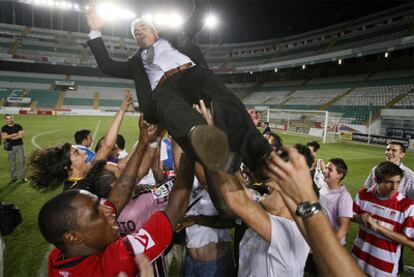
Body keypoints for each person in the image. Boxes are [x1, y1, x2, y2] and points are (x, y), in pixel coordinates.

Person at [86, 1, 272, 178]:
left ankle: (260, 155)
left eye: (143, 27)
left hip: (192, 74)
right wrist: (95, 29)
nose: (139, 32)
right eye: (136, 32)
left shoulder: (173, 35)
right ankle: (217, 155)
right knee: (171, 112)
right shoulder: (136, 62)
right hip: (164, 89)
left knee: (223, 99)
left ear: (155, 31)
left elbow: (198, 16)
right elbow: (107, 65)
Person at [39, 137, 196, 277]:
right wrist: (189, 154)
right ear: (72, 237)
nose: (108, 210)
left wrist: (143, 142)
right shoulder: (118, 260)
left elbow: (117, 199)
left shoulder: (58, 257)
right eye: (96, 213)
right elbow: (174, 211)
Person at [352, 161, 414, 276]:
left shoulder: (407, 206)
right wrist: (360, 218)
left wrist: (378, 227)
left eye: (398, 182)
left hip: (383, 269)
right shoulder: (363, 194)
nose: (394, 187)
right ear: (376, 180)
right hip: (357, 257)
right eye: (389, 182)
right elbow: (351, 216)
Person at [1, 114, 27, 183]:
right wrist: (14, 134)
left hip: (19, 146)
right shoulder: (4, 128)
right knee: (12, 163)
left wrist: (9, 137)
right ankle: (14, 177)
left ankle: (23, 177)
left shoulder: (18, 126)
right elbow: (4, 137)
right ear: (6, 120)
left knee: (22, 162)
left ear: (13, 119)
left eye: (11, 118)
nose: (10, 120)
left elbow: (21, 136)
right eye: (8, 119)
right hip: (9, 146)